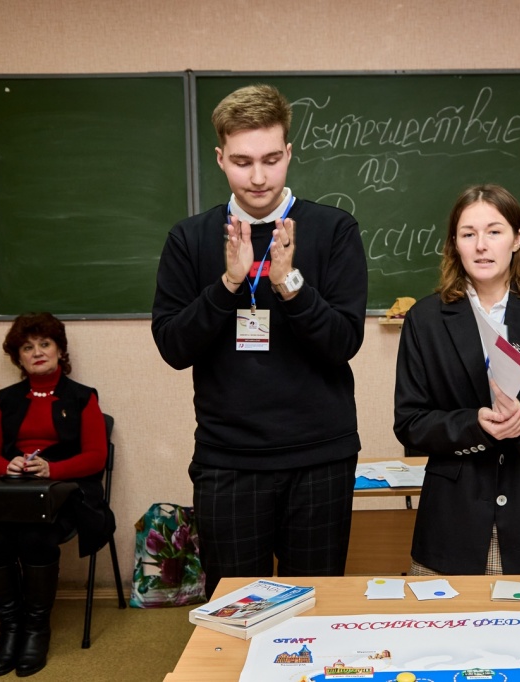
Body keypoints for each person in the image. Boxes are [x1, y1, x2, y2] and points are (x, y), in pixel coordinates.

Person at [152, 84, 368, 597]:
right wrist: (228, 284)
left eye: (271, 160)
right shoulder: (190, 238)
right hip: (229, 459)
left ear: (288, 153)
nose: (257, 177)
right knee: (236, 609)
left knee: (315, 607)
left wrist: (291, 285)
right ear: (220, 158)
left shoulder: (334, 230)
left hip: (320, 456)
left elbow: (343, 342)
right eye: (242, 161)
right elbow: (173, 347)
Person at [394, 184, 520, 575]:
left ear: (517, 239)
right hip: (453, 523)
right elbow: (410, 423)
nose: (481, 246)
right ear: (455, 244)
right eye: (468, 234)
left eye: (494, 232)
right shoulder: (426, 319)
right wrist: (475, 424)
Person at [0, 312, 113, 677]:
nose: (37, 352)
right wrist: (7, 466)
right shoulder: (7, 399)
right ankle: (10, 629)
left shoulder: (82, 397)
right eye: (27, 347)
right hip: (15, 492)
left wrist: (53, 469)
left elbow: (96, 457)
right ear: (18, 358)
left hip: (66, 493)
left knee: (36, 535)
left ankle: (36, 630)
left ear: (60, 350)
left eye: (44, 344)